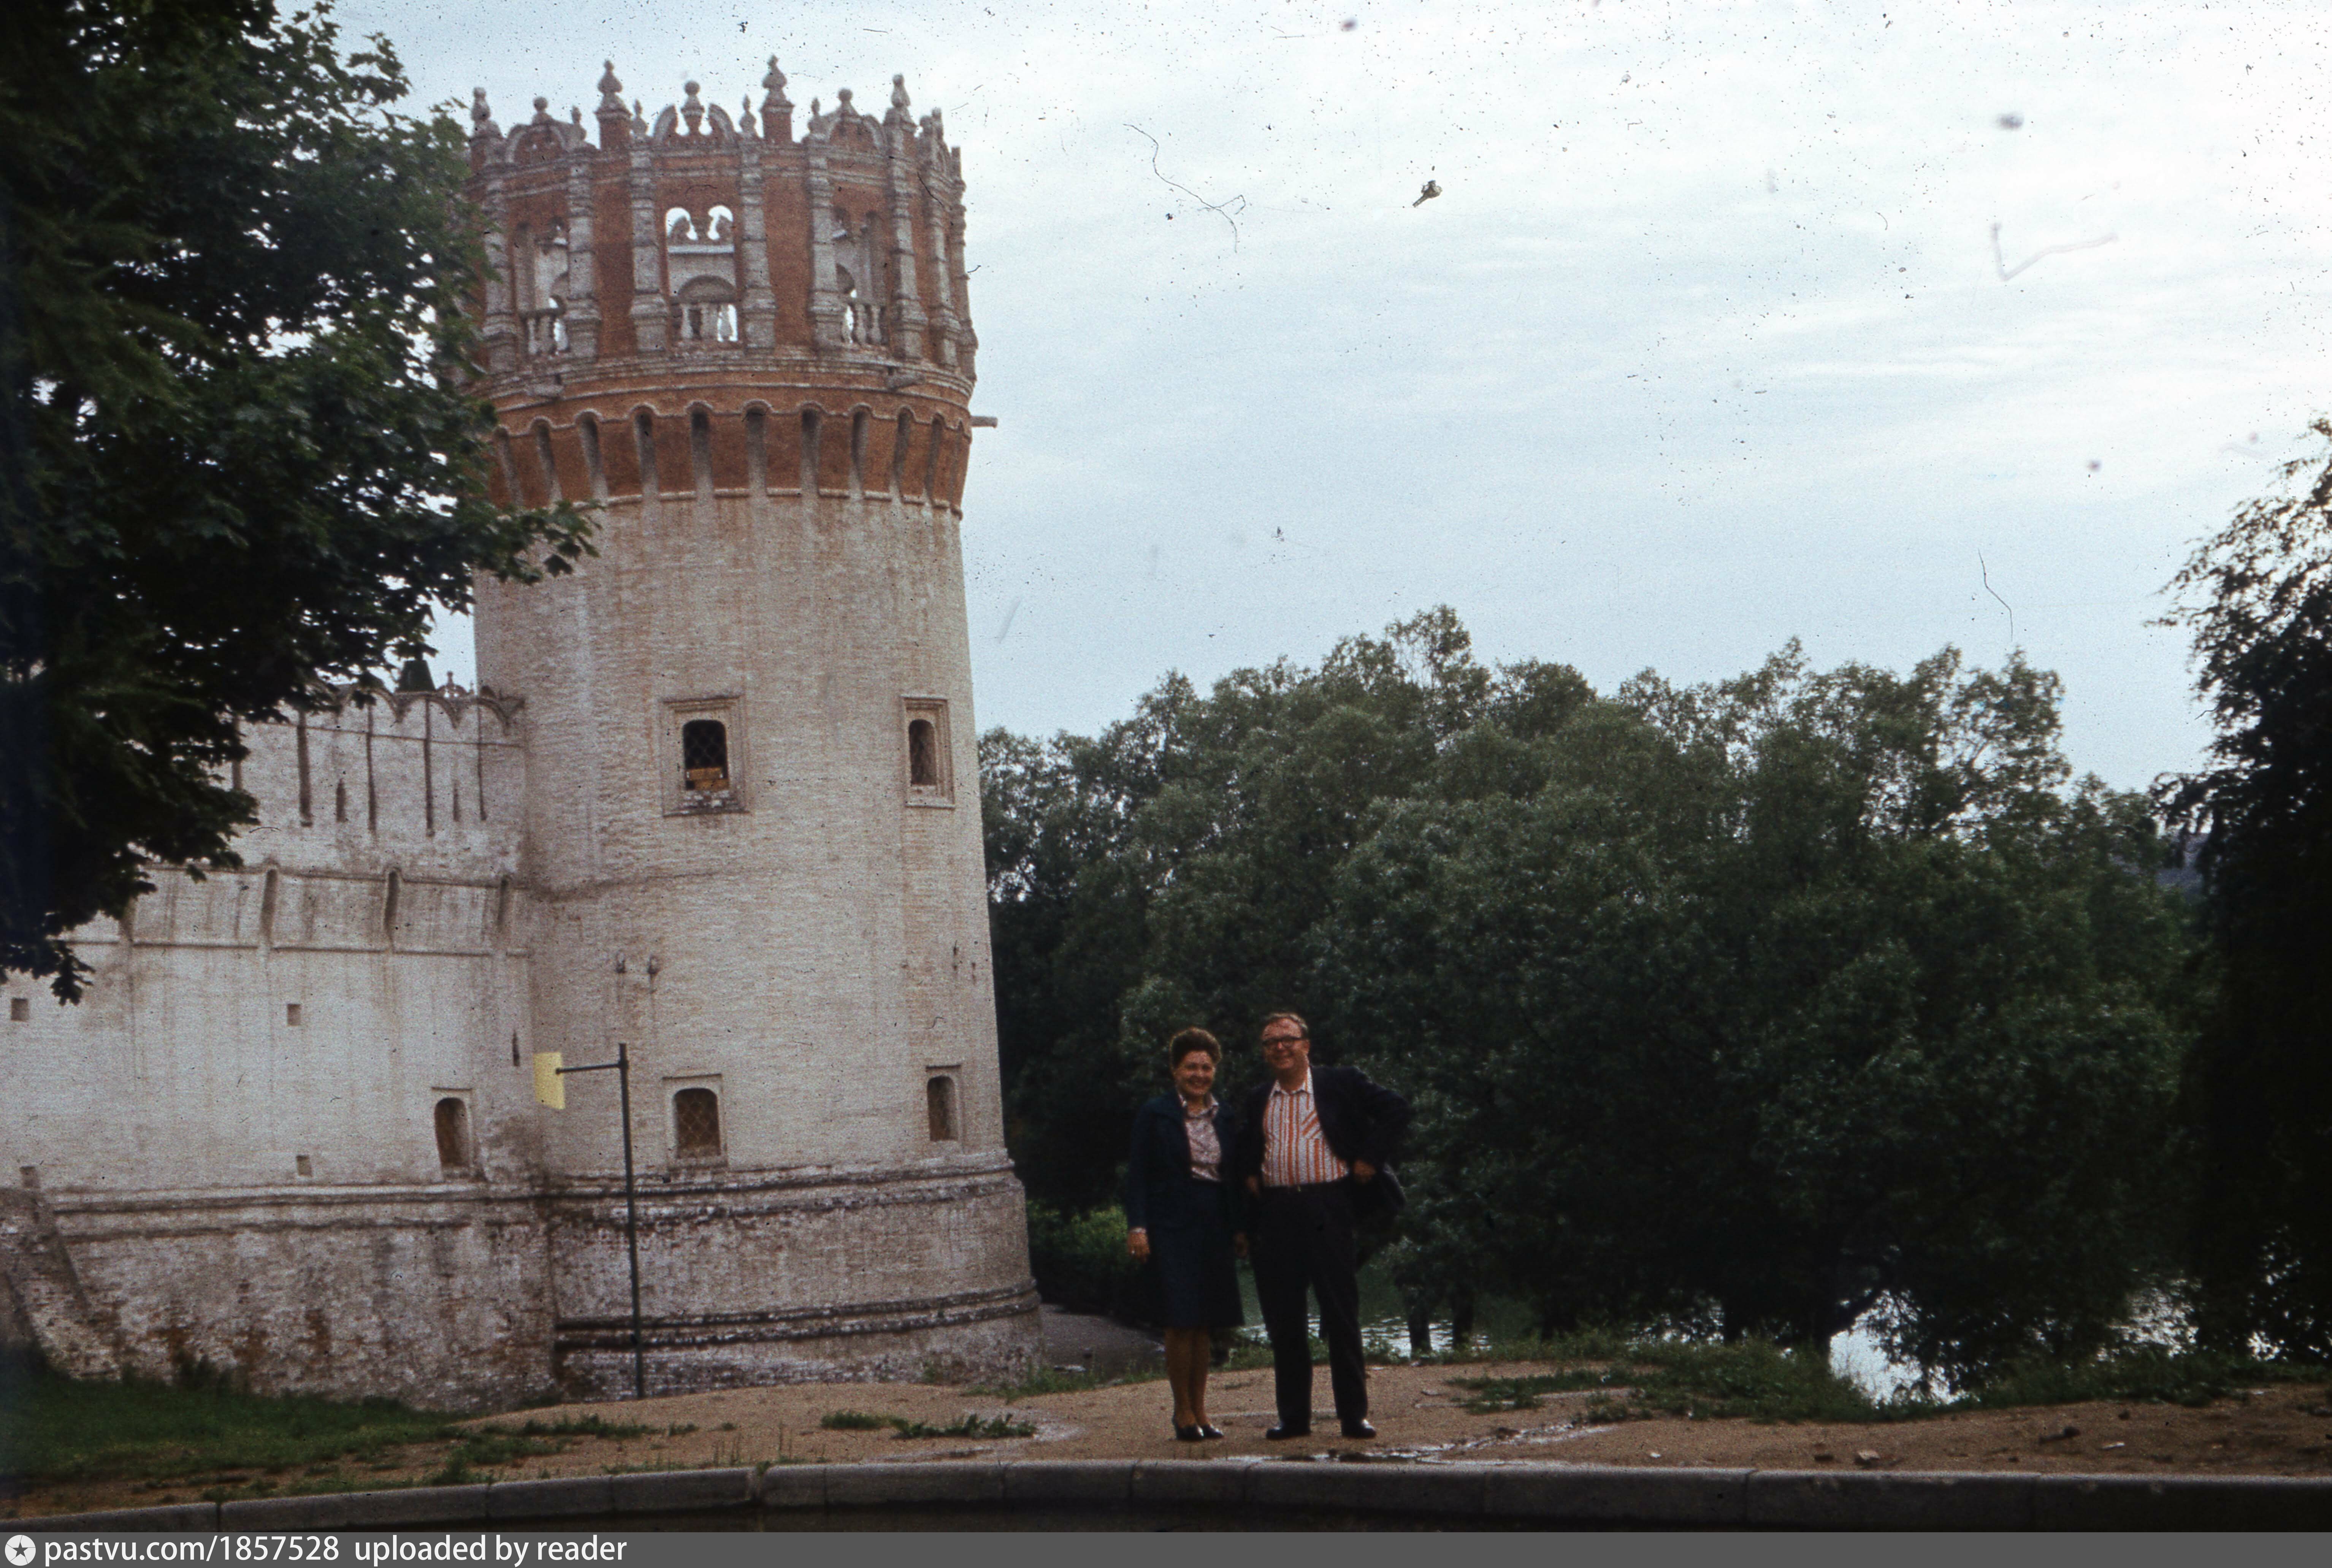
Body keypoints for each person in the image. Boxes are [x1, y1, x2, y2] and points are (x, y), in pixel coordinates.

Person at [1233, 1011, 1410, 1441]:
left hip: (1328, 1207)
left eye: (1288, 1039)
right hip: (1277, 1212)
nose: (1280, 1047)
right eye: (1271, 1042)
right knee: (1284, 1319)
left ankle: (1354, 1415)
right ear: (1264, 1052)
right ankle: (1294, 1418)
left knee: (1340, 1313)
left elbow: (1397, 1109)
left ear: (1306, 1045)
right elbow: (1244, 1148)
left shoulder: (1339, 1083)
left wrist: (1370, 1157)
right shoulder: (1258, 1098)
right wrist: (1249, 1173)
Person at [1124, 1027, 1246, 1441]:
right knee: (1180, 1319)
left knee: (1205, 1320)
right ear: (1175, 1070)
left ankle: (1202, 1411)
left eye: (1206, 1067)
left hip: (1215, 1222)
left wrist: (1240, 1227)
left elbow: (1233, 1176)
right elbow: (1137, 1175)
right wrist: (1137, 1226)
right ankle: (1182, 1412)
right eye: (1191, 1067)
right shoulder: (1155, 1113)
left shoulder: (1225, 1115)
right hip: (1170, 1224)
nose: (1199, 1075)